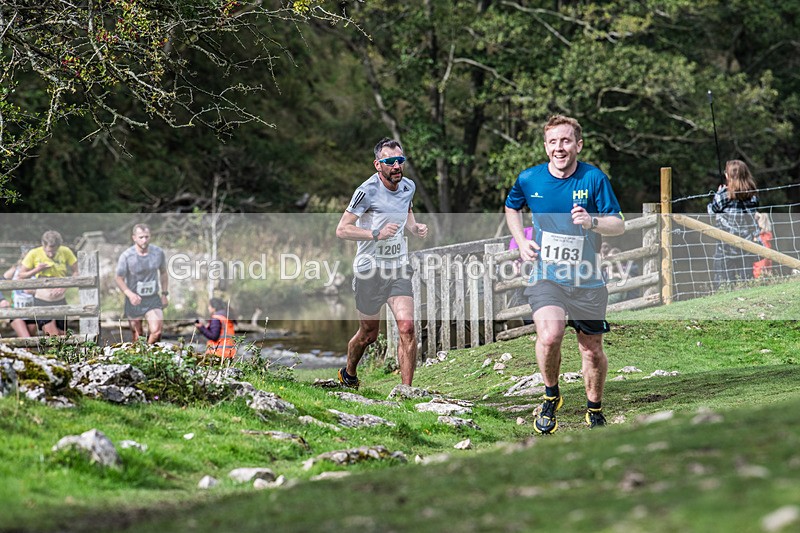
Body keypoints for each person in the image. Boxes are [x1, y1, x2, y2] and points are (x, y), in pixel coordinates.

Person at [504, 114, 624, 434]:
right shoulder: (529, 179)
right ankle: (550, 395)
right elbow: (511, 207)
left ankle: (594, 409)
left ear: (578, 145)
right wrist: (521, 242)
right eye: (553, 142)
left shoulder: (594, 178)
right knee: (550, 335)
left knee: (591, 350)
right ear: (546, 147)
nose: (559, 147)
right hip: (546, 275)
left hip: (587, 278)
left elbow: (618, 224)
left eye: (566, 141)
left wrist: (592, 222)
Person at [335, 137, 428, 388]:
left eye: (400, 160)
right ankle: (349, 373)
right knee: (369, 334)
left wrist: (414, 227)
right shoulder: (366, 191)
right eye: (390, 161)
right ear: (378, 165)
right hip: (369, 270)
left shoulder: (408, 186)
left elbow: (406, 209)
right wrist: (376, 234)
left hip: (398, 267)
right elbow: (342, 230)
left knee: (407, 327)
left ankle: (406, 393)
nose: (397, 166)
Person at [707, 159, 760, 289]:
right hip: (745, 246)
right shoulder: (752, 196)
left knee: (723, 285)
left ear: (728, 176)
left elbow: (712, 211)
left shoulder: (723, 195)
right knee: (746, 283)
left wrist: (719, 193)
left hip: (725, 247)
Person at [115, 224, 169, 344]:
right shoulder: (127, 256)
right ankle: (141, 354)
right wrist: (130, 295)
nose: (144, 240)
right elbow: (119, 278)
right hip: (135, 299)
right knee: (137, 335)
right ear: (134, 238)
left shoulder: (158, 253)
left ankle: (150, 352)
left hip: (152, 298)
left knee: (157, 332)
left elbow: (163, 273)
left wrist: (164, 294)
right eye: (141, 237)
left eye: (147, 237)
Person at [17, 231, 78, 336]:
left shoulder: (66, 251)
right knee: (54, 335)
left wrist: (65, 286)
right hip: (42, 301)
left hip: (60, 300)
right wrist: (37, 269)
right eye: (48, 251)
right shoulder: (34, 253)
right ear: (43, 245)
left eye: (54, 252)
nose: (51, 255)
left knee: (63, 335)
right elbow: (21, 275)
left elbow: (76, 271)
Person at [3, 248, 37, 337]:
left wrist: (34, 292)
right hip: (16, 311)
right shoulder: (15, 270)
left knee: (31, 338)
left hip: (32, 311)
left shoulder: (37, 271)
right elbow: (2, 281)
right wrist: (2, 299)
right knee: (26, 338)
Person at [752, 212, 773, 278]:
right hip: (768, 256)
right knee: (767, 272)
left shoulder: (758, 235)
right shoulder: (768, 234)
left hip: (760, 257)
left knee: (759, 272)